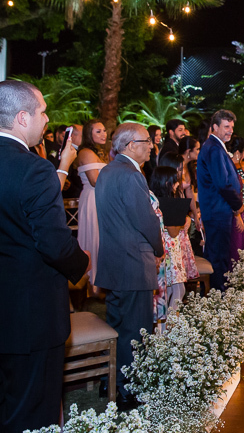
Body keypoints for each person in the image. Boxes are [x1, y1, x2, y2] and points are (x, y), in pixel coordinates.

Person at [0, 80, 88, 431]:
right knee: (32, 416)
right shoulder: (35, 170)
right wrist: (82, 263)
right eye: (42, 112)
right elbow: (55, 245)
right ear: (23, 118)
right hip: (31, 316)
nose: (47, 119)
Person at [94, 122, 164, 407]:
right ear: (131, 145)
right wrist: (159, 248)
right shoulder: (131, 175)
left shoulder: (107, 171)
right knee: (136, 331)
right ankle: (128, 389)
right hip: (134, 262)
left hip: (113, 262)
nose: (151, 146)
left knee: (117, 327)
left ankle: (109, 381)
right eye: (147, 141)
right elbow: (145, 220)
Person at [196, 110, 244, 291]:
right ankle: (218, 298)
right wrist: (237, 205)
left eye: (232, 127)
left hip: (216, 210)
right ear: (215, 127)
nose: (230, 130)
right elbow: (222, 184)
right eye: (226, 126)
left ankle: (211, 296)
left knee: (216, 256)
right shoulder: (214, 148)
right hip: (217, 211)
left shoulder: (215, 146)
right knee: (218, 258)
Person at [148, 165, 195, 327]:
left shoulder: (153, 199)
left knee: (169, 291)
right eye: (175, 181)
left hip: (166, 249)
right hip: (168, 250)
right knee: (173, 291)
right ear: (166, 182)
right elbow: (173, 231)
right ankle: (168, 326)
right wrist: (182, 220)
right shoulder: (167, 204)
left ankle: (167, 325)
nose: (177, 185)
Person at [76, 119, 108, 290]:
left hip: (102, 197)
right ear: (89, 134)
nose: (104, 134)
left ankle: (102, 279)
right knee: (94, 236)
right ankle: (93, 282)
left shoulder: (100, 152)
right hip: (92, 197)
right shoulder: (86, 152)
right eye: (98, 131)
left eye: (104, 130)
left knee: (101, 238)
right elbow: (95, 181)